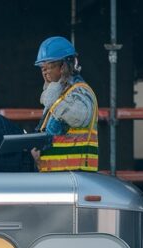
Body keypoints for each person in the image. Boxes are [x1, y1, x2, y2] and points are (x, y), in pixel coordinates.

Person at [32, 36, 99, 172]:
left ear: (63, 66)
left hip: (75, 174)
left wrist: (53, 96)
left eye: (49, 66)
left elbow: (79, 118)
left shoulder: (79, 91)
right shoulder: (60, 94)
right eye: (42, 67)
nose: (44, 71)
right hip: (58, 174)